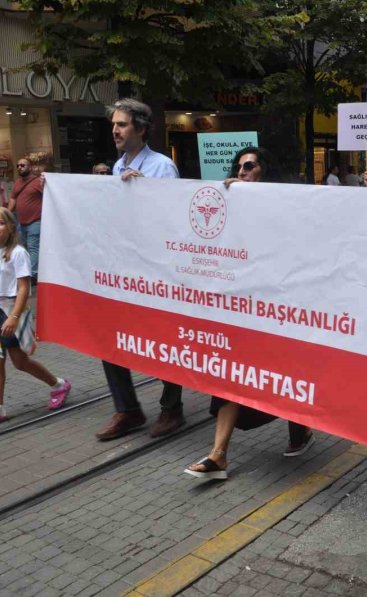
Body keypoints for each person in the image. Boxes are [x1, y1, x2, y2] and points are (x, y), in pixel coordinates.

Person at [185, 146, 314, 480]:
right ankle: (219, 456)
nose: (242, 172)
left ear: (263, 171)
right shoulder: (229, 202)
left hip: (278, 307)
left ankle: (300, 428)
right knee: (230, 375)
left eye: (249, 166)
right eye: (238, 167)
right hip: (242, 309)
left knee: (286, 374)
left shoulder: (282, 203)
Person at [95, 98, 184, 441]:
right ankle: (128, 409)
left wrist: (144, 188)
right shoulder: (117, 168)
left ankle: (171, 408)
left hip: (155, 272)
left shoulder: (162, 167)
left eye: (122, 124)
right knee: (109, 337)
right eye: (114, 125)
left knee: (162, 340)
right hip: (123, 269)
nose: (115, 130)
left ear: (141, 129)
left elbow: (173, 220)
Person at [0, 207, 71, 428]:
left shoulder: (17, 253)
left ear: (11, 227)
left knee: (19, 361)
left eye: (0, 223)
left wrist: (14, 317)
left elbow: (24, 288)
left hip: (9, 311)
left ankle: (59, 384)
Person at [7, 158, 43, 286]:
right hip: (21, 222)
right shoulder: (17, 183)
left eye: (23, 165)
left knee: (33, 248)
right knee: (23, 249)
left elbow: (48, 196)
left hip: (35, 221)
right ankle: (29, 272)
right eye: (18, 165)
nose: (19, 167)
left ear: (30, 167)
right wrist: (6, 213)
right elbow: (13, 199)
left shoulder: (38, 182)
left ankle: (32, 274)